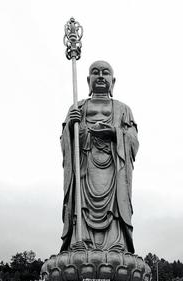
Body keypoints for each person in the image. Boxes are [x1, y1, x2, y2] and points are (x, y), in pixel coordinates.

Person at [61, 60, 138, 253]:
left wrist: (114, 132)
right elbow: (65, 142)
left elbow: (133, 140)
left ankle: (115, 244)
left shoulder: (123, 109)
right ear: (88, 80)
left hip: (114, 171)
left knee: (115, 207)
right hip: (85, 169)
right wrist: (71, 126)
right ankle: (82, 242)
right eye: (96, 72)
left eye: (106, 73)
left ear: (113, 81)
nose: (101, 76)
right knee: (81, 203)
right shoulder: (77, 108)